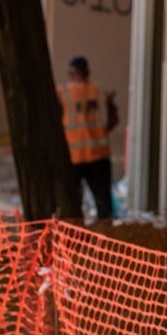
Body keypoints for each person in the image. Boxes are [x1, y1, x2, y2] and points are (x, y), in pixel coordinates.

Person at [59, 55, 120, 221]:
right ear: (88, 72)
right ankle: (105, 235)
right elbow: (113, 119)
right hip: (99, 156)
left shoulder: (63, 95)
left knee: (71, 203)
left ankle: (75, 236)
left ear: (71, 73)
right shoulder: (101, 93)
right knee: (103, 203)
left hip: (74, 158)